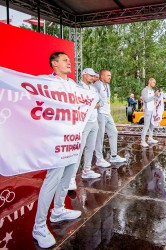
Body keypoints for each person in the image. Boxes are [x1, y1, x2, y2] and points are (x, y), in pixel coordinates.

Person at [32, 52, 81, 248]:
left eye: (69, 60)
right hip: (55, 140)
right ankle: (39, 226)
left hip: (73, 138)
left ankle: (58, 209)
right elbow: (24, 87)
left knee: (68, 175)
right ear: (54, 64)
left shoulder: (73, 85)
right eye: (64, 60)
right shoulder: (45, 81)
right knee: (53, 178)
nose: (69, 62)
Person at [68, 68, 101, 191]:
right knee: (79, 149)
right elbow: (77, 103)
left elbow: (99, 102)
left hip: (94, 121)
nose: (93, 78)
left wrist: (90, 103)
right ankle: (71, 177)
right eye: (91, 76)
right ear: (84, 75)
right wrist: (91, 103)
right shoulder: (77, 87)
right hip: (83, 122)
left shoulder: (93, 88)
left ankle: (87, 170)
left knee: (90, 148)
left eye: (94, 76)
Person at [94, 69, 126, 167]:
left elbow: (107, 99)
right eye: (108, 75)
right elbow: (94, 99)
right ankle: (99, 159)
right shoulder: (97, 85)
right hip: (100, 114)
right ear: (102, 76)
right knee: (100, 136)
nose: (110, 77)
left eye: (110, 76)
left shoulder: (107, 85)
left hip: (108, 113)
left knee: (114, 132)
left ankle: (114, 156)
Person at [140, 78, 159, 147]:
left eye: (155, 83)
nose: (154, 84)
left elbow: (154, 99)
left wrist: (158, 96)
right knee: (146, 125)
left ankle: (150, 138)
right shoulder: (145, 90)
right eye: (153, 82)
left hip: (152, 109)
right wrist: (154, 96)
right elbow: (146, 100)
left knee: (152, 124)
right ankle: (142, 141)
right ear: (149, 82)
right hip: (147, 110)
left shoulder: (152, 90)